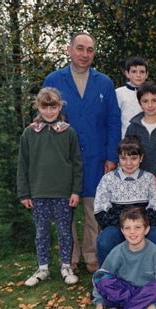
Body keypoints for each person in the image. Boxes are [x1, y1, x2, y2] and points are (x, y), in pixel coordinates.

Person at [43, 32, 121, 273]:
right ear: (69, 50)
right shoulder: (54, 79)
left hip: (95, 158)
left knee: (92, 210)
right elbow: (45, 118)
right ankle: (70, 258)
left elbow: (113, 120)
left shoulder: (104, 83)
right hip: (62, 159)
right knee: (65, 211)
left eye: (89, 50)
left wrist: (111, 156)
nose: (84, 54)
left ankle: (91, 256)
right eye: (80, 48)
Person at [17, 87, 82, 286]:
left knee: (64, 231)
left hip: (63, 193)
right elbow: (23, 165)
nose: (49, 111)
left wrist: (75, 191)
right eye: (44, 107)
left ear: (59, 106)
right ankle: (42, 267)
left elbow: (77, 164)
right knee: (41, 232)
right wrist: (24, 193)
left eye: (53, 107)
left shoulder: (68, 132)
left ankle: (65, 265)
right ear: (38, 107)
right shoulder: (29, 133)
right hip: (38, 193)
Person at [89, 207, 156, 309]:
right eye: (127, 228)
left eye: (137, 227)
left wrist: (152, 308)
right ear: (122, 231)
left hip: (146, 293)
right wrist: (99, 305)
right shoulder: (118, 251)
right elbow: (102, 277)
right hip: (124, 294)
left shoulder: (154, 252)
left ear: (146, 229)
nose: (132, 232)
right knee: (99, 276)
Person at [93, 137, 156, 265]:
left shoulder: (149, 178)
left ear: (141, 158)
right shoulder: (108, 179)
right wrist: (124, 226)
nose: (128, 163)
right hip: (117, 225)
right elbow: (100, 210)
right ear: (118, 158)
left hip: (144, 224)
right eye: (124, 158)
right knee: (105, 240)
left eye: (133, 158)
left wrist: (139, 226)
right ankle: (106, 277)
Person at [125, 81, 156, 176]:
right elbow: (127, 156)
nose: (150, 105)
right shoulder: (132, 128)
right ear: (140, 103)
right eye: (145, 101)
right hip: (138, 182)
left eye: (154, 100)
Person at [116, 56, 148, 138]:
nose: (138, 75)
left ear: (146, 74)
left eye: (142, 72)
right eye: (134, 71)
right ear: (127, 74)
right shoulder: (119, 93)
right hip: (126, 141)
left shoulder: (151, 93)